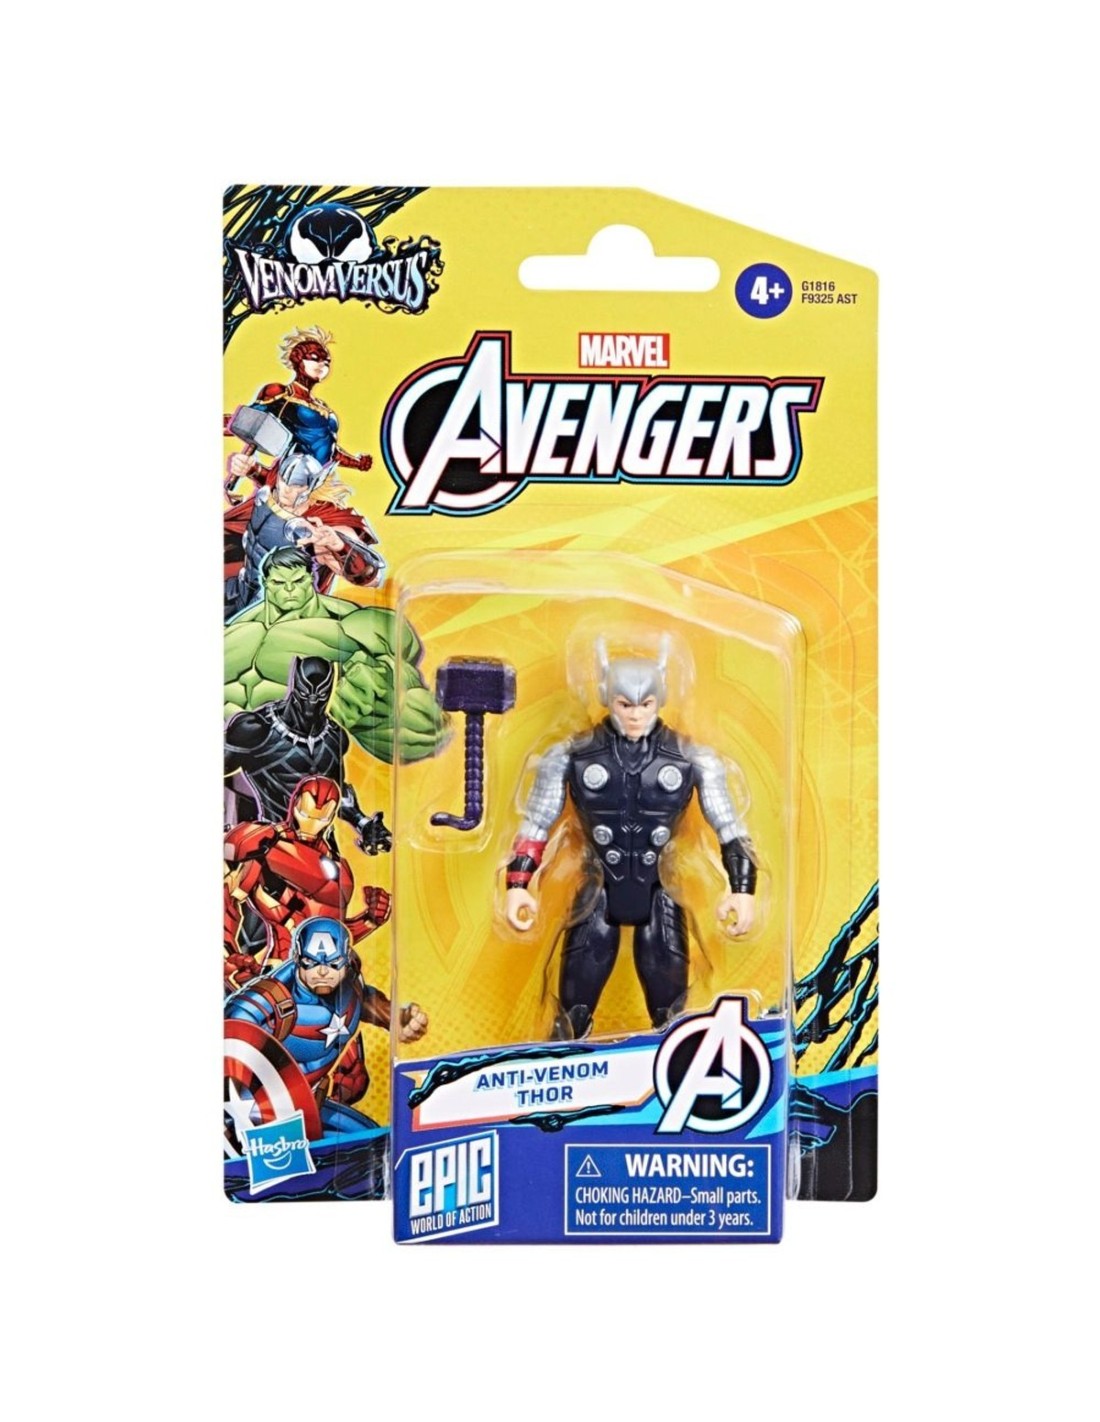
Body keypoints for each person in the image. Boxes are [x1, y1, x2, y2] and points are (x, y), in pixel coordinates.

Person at [504, 642, 758, 1039]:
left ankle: (672, 1059)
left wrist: (742, 889)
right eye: (625, 704)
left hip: (661, 887)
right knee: (573, 1008)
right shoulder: (570, 755)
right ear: (608, 697)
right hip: (597, 888)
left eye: (645, 704)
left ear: (660, 699)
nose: (636, 714)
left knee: (670, 1013)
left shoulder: (693, 757)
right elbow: (537, 824)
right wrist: (519, 885)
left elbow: (729, 827)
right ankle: (564, 1059)